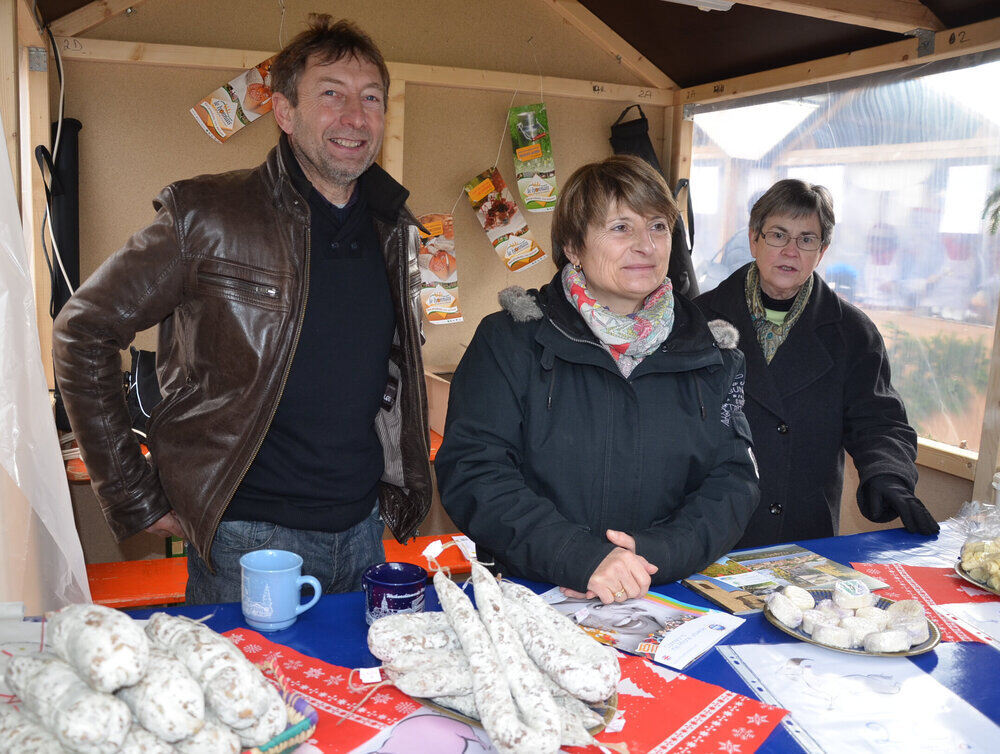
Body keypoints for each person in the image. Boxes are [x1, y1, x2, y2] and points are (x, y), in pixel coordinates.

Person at [51, 16, 432, 604]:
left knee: (354, 697)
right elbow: (83, 331)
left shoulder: (393, 229)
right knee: (251, 698)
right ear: (283, 111)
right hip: (248, 541)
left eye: (371, 98)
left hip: (362, 534)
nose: (356, 117)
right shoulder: (206, 214)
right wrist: (134, 495)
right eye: (331, 94)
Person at [435, 155, 759, 605]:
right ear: (572, 246)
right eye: (621, 227)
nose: (645, 245)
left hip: (665, 592)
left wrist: (653, 555)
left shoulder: (713, 353)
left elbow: (733, 484)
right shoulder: (511, 341)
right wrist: (579, 556)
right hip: (537, 591)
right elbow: (475, 471)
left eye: (658, 226)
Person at [694, 179, 938, 548]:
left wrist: (888, 475)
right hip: (705, 529)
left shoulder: (851, 332)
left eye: (807, 239)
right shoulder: (696, 320)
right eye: (778, 235)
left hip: (802, 534)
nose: (791, 251)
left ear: (821, 251)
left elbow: (879, 420)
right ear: (753, 239)